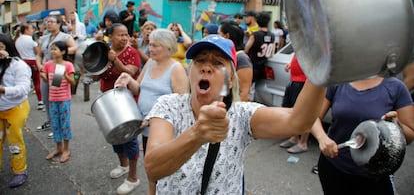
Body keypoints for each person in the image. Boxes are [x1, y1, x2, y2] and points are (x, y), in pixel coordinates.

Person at [143, 35, 326, 194]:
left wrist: (322, 67)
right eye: (200, 60)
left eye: (217, 63)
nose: (206, 68)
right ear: (190, 71)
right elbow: (152, 169)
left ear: (230, 80)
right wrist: (196, 135)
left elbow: (299, 121)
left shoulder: (241, 115)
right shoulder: (168, 105)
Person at [311, 76, 414, 195]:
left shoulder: (396, 87)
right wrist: (322, 138)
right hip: (333, 166)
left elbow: (410, 134)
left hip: (374, 175)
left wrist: (397, 126)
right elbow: (313, 117)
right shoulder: (339, 80)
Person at [115, 29, 189, 194]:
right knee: (151, 167)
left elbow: (181, 105)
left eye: (155, 45)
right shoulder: (149, 63)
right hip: (145, 127)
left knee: (162, 169)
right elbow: (138, 89)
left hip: (163, 131)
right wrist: (128, 80)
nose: (150, 49)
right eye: (150, 44)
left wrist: (155, 117)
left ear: (168, 48)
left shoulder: (176, 69)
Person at [99, 23, 141, 195]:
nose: (124, 38)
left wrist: (114, 59)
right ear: (110, 36)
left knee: (129, 138)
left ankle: (133, 177)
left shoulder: (132, 53)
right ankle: (123, 165)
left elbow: (130, 73)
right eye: (120, 35)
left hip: (126, 101)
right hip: (108, 100)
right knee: (115, 136)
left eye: (126, 34)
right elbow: (95, 74)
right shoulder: (103, 51)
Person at [36, 16, 76, 139]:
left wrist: (60, 53)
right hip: (45, 68)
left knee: (58, 95)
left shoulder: (65, 37)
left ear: (59, 24)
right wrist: (39, 66)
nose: (49, 24)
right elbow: (38, 55)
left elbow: (74, 48)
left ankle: (59, 128)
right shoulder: (43, 38)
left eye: (52, 22)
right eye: (47, 22)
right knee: (47, 98)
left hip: (58, 69)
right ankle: (51, 122)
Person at [0, 33, 31, 188]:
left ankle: (20, 171)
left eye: (0, 47)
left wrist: (4, 90)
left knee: (14, 141)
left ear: (8, 48)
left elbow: (24, 88)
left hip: (16, 108)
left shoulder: (18, 65)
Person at [41, 41, 75, 163]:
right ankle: (58, 148)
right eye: (51, 49)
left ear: (63, 52)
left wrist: (66, 76)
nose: (52, 51)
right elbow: (47, 80)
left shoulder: (68, 65)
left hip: (64, 99)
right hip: (52, 99)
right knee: (55, 124)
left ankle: (66, 150)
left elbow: (73, 82)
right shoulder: (48, 64)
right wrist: (42, 75)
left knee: (65, 124)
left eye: (55, 49)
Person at [279, 54, 309, 153]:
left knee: (305, 113)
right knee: (293, 111)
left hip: (304, 82)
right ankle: (294, 137)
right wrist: (291, 64)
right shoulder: (302, 43)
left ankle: (303, 143)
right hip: (294, 80)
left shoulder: (314, 44)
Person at [219, 21, 253, 101]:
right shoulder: (227, 56)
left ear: (226, 36)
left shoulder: (241, 59)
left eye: (219, 34)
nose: (218, 37)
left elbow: (244, 92)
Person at [15, 23, 42, 110]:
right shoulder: (30, 40)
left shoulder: (17, 40)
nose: (33, 30)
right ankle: (40, 101)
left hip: (22, 61)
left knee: (23, 82)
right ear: (26, 30)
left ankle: (22, 102)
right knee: (37, 81)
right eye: (31, 29)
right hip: (32, 61)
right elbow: (38, 52)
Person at [245, 12, 275, 81]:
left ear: (257, 22)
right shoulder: (272, 35)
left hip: (253, 66)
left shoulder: (255, 35)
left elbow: (246, 49)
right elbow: (272, 53)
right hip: (265, 66)